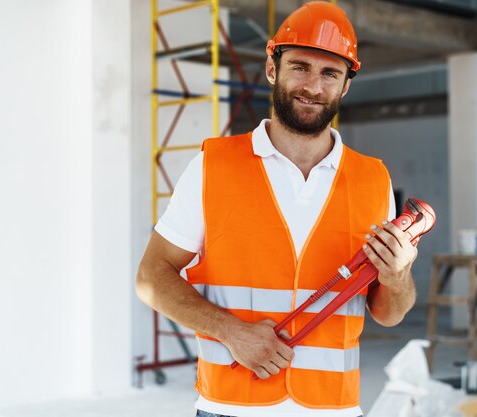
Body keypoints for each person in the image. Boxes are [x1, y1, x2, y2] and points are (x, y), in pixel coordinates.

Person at [136, 2, 418, 416]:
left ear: (345, 86)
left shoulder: (372, 179)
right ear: (273, 69)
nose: (313, 86)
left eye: (330, 74)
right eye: (300, 67)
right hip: (231, 406)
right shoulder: (213, 167)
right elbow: (150, 277)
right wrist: (230, 331)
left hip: (332, 409)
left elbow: (388, 314)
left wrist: (399, 277)